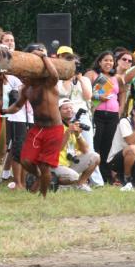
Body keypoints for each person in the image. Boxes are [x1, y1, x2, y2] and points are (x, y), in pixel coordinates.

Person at [2, 45, 63, 197]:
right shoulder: (26, 89)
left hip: (54, 128)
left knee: (44, 166)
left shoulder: (48, 83)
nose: (23, 77)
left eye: (25, 75)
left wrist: (43, 57)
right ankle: (40, 177)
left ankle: (43, 196)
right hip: (37, 128)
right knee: (25, 160)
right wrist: (2, 111)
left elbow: (54, 75)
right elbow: (17, 106)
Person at [56, 47, 103, 187]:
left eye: (76, 65)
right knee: (67, 147)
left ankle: (94, 181)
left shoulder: (85, 80)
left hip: (82, 116)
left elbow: (89, 97)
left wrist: (81, 79)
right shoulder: (60, 80)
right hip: (65, 116)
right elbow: (63, 93)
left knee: (88, 148)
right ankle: (72, 177)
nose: (74, 68)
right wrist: (68, 78)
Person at [85, 51, 125, 184]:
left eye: (111, 61)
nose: (108, 63)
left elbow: (123, 93)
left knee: (108, 146)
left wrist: (120, 110)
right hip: (97, 114)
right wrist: (97, 97)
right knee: (96, 145)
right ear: (99, 62)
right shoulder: (92, 74)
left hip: (113, 115)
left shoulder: (117, 78)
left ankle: (106, 176)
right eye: (105, 60)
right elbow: (83, 92)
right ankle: (92, 176)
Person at [52, 99, 100, 191]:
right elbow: (57, 149)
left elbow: (86, 150)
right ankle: (60, 186)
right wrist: (68, 132)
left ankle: (80, 184)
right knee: (73, 176)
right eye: (65, 108)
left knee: (95, 156)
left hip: (70, 164)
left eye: (71, 108)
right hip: (57, 165)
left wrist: (78, 135)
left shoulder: (72, 125)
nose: (69, 110)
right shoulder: (54, 126)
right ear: (58, 111)